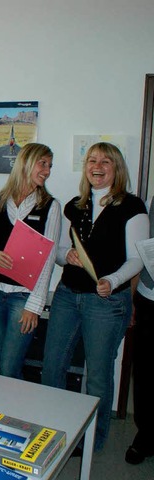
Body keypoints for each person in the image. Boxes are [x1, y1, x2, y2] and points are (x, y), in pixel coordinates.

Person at [42, 142, 148, 452]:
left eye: (105, 161)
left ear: (117, 168)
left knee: (98, 377)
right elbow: (59, 252)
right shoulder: (74, 205)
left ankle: (93, 439)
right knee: (52, 367)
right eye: (91, 160)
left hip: (106, 302)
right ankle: (54, 428)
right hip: (66, 295)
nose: (96, 165)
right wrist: (68, 255)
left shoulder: (132, 206)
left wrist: (112, 280)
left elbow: (137, 259)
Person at [0, 143, 61, 379]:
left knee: (8, 366)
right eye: (43, 163)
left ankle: (7, 412)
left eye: (50, 166)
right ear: (26, 163)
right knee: (0, 360)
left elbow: (48, 261)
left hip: (23, 296)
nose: (47, 171)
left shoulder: (50, 206)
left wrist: (34, 306)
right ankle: (3, 412)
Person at [126, 196, 154, 464]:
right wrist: (132, 299)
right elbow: (143, 250)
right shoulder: (152, 201)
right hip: (149, 297)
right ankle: (145, 434)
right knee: (144, 372)